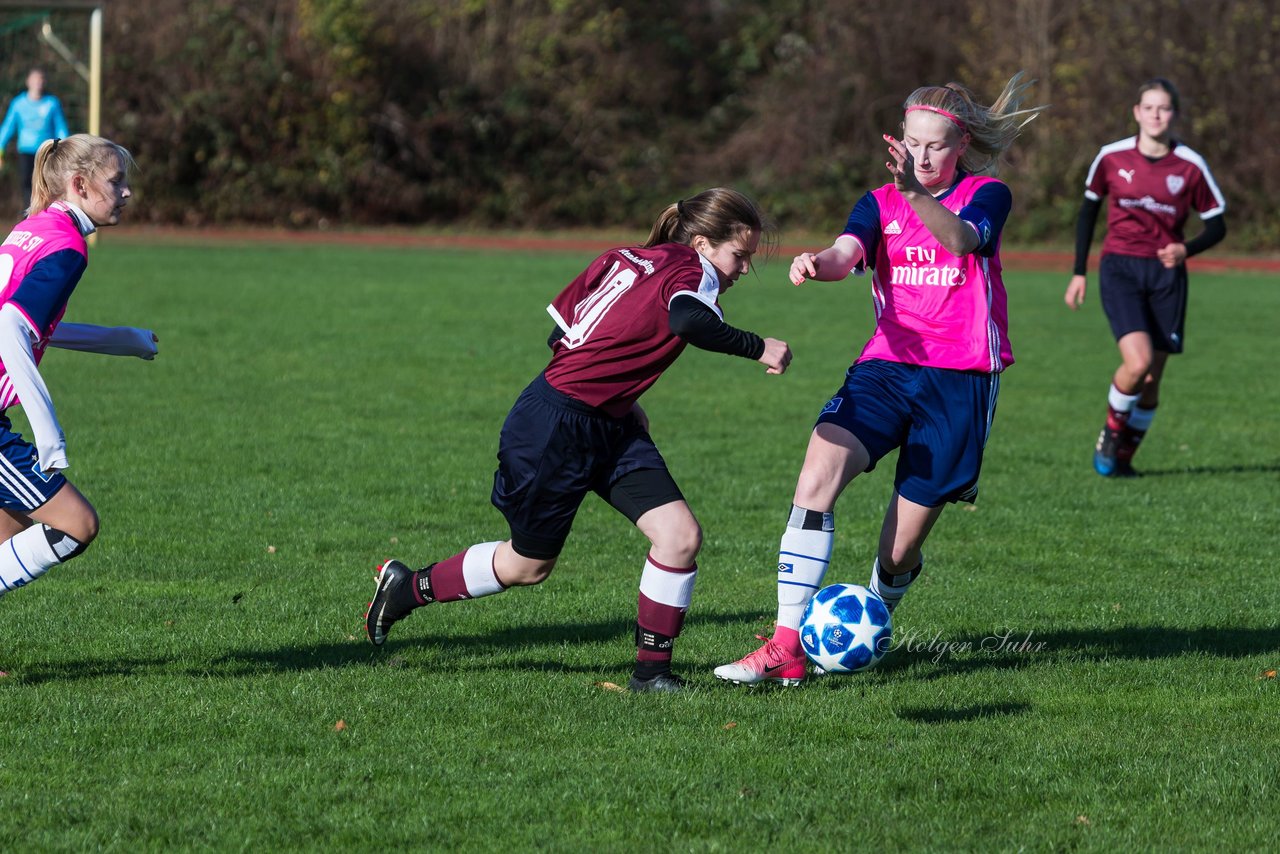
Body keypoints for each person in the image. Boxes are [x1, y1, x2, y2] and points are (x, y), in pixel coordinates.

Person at [364, 187, 793, 693]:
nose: (743, 269)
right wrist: (758, 346)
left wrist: (619, 395)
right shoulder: (691, 270)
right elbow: (686, 319)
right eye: (739, 255)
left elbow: (563, 336)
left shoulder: (625, 257)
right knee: (527, 566)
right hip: (555, 430)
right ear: (701, 243)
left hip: (606, 424)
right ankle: (406, 587)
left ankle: (651, 675)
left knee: (679, 537)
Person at [715, 73, 1046, 687]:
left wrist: (914, 196)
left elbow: (962, 241)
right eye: (912, 143)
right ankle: (786, 644)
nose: (922, 157)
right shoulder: (880, 201)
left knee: (899, 549)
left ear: (960, 145)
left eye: (936, 146)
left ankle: (870, 621)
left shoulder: (988, 193)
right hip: (885, 367)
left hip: (961, 380)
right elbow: (848, 253)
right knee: (817, 475)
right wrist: (817, 263)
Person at [0, 134, 158, 600]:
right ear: (80, 185)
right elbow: (11, 327)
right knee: (77, 524)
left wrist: (119, 339)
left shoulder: (34, 225)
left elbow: (32, 326)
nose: (126, 191)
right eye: (117, 181)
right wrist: (48, 435)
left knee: (9, 532)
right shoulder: (68, 247)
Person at [1063, 78, 1226, 477]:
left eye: (1164, 108)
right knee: (1137, 364)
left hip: (1167, 276)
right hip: (1120, 267)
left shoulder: (1190, 164)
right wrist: (1079, 271)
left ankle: (1123, 460)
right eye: (1148, 107)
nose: (1156, 115)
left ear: (1174, 115)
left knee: (1152, 380)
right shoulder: (1111, 157)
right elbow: (1088, 214)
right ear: (1136, 112)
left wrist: (1186, 249)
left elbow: (1217, 225)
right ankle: (1109, 436)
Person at [0, 69, 70, 213]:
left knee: (47, 184)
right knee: (27, 185)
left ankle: (48, 214)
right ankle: (29, 215)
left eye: (41, 79)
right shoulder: (18, 103)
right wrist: (1, 147)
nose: (38, 83)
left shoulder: (52, 103)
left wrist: (66, 146)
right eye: (35, 79)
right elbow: (8, 126)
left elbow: (60, 127)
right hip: (26, 151)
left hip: (47, 151)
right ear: (28, 82)